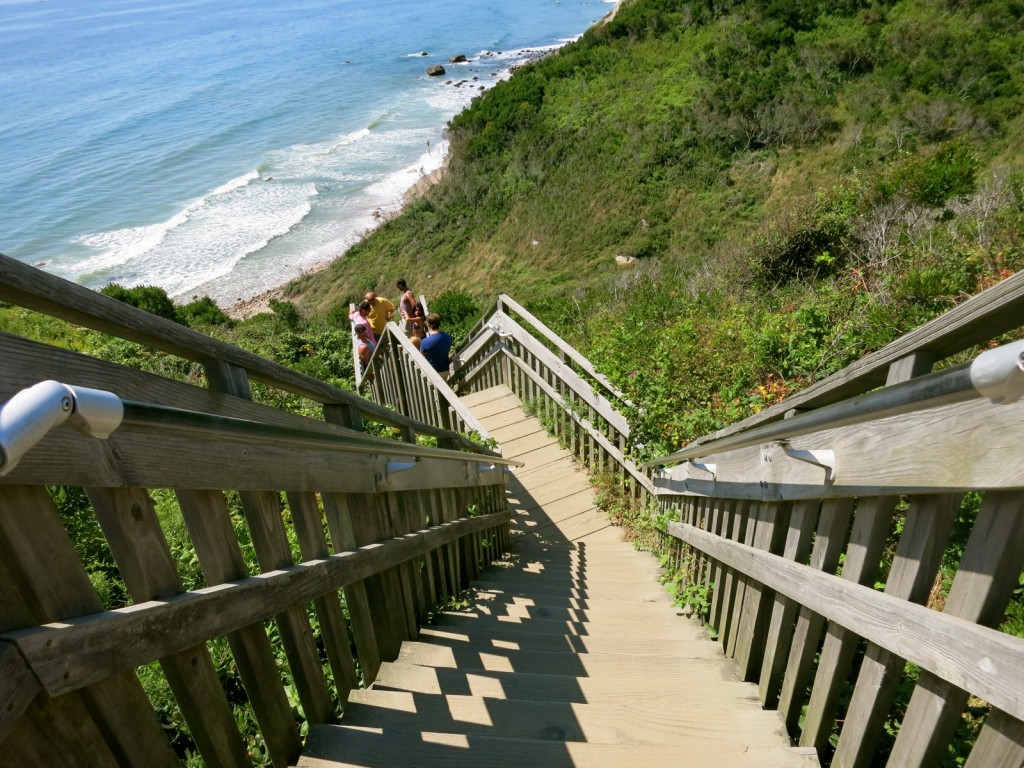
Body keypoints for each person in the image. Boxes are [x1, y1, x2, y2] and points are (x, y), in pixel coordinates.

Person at [419, 312, 452, 380]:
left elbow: (421, 356)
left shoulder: (425, 341)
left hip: (432, 372)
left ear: (429, 325)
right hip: (445, 370)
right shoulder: (447, 336)